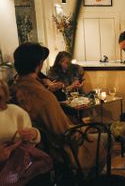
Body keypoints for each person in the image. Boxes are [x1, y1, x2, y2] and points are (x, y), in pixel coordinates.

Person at [10, 43, 109, 171]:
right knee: (107, 137)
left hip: (31, 150)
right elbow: (65, 133)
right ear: (39, 65)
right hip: (60, 152)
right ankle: (88, 178)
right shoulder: (43, 97)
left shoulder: (12, 90)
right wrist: (83, 130)